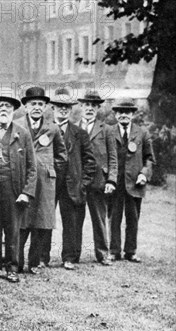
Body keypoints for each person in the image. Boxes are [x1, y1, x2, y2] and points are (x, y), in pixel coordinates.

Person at [0, 92, 37, 283]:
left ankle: (12, 267)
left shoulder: (22, 134)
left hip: (14, 191)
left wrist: (26, 192)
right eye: (0, 107)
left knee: (13, 230)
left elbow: (32, 167)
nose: (3, 110)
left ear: (13, 110)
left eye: (8, 106)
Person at [17, 87, 67, 274]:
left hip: (46, 182)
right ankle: (17, 262)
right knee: (22, 221)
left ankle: (34, 263)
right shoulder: (18, 125)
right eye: (33, 104)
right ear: (26, 106)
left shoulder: (53, 128)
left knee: (40, 222)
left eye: (40, 104)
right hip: (24, 179)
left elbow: (62, 155)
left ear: (45, 107)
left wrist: (50, 169)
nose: (37, 107)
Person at [51, 88, 96, 270]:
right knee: (45, 220)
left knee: (71, 222)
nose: (63, 110)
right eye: (60, 106)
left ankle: (69, 257)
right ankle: (41, 256)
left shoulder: (80, 133)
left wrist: (83, 184)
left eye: (66, 107)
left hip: (72, 184)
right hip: (50, 182)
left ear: (71, 110)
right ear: (53, 108)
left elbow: (90, 162)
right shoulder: (46, 130)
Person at [108, 98, 155, 263]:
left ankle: (131, 251)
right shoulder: (109, 131)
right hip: (115, 182)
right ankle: (114, 251)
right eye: (120, 112)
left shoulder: (142, 133)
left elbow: (149, 158)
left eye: (127, 112)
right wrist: (108, 178)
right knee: (114, 218)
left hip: (135, 183)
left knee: (133, 218)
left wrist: (144, 173)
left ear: (132, 114)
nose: (123, 115)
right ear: (115, 114)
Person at [75, 90, 117, 265]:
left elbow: (113, 157)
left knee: (99, 219)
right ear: (81, 107)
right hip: (78, 182)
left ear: (98, 108)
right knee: (75, 220)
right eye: (87, 105)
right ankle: (72, 255)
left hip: (99, 181)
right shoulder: (74, 128)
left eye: (93, 106)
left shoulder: (106, 129)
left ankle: (102, 253)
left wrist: (111, 180)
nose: (90, 108)